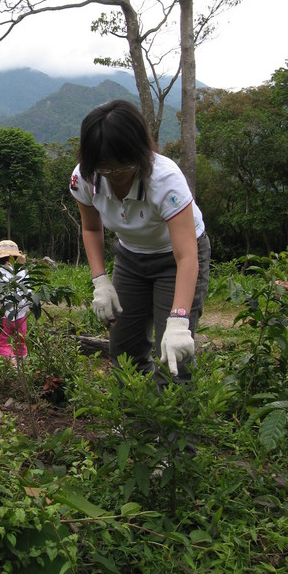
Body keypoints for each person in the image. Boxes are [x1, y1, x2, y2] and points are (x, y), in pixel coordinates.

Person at [69, 99, 211, 381]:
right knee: (124, 349)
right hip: (130, 258)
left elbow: (186, 257)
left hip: (175, 259)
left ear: (140, 153)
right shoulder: (84, 178)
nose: (113, 177)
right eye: (104, 169)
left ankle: (171, 424)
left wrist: (179, 320)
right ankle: (134, 422)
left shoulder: (165, 180)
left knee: (173, 353)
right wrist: (100, 281)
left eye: (121, 168)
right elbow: (92, 230)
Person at [0, 240, 30, 366]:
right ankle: (22, 364)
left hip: (3, 317)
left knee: (2, 343)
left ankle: (12, 364)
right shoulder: (22, 272)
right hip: (20, 316)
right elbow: (28, 292)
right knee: (20, 342)